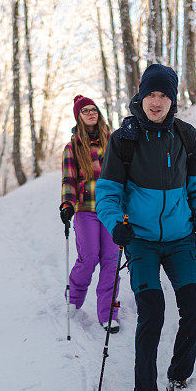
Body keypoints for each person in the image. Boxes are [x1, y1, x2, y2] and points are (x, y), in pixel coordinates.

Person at [95, 64, 196, 391]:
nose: (156, 101)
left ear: (173, 99)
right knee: (153, 311)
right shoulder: (124, 139)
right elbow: (106, 193)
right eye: (151, 94)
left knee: (195, 310)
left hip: (181, 239)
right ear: (141, 95)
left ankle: (179, 377)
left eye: (164, 95)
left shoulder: (187, 136)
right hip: (142, 241)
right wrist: (115, 224)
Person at [60, 95, 121, 333]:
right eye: (84, 110)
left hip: (112, 209)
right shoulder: (72, 147)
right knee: (89, 256)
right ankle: (73, 299)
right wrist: (67, 204)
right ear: (78, 116)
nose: (90, 113)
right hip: (86, 210)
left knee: (111, 259)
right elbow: (69, 180)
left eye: (93, 109)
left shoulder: (113, 141)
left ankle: (108, 313)